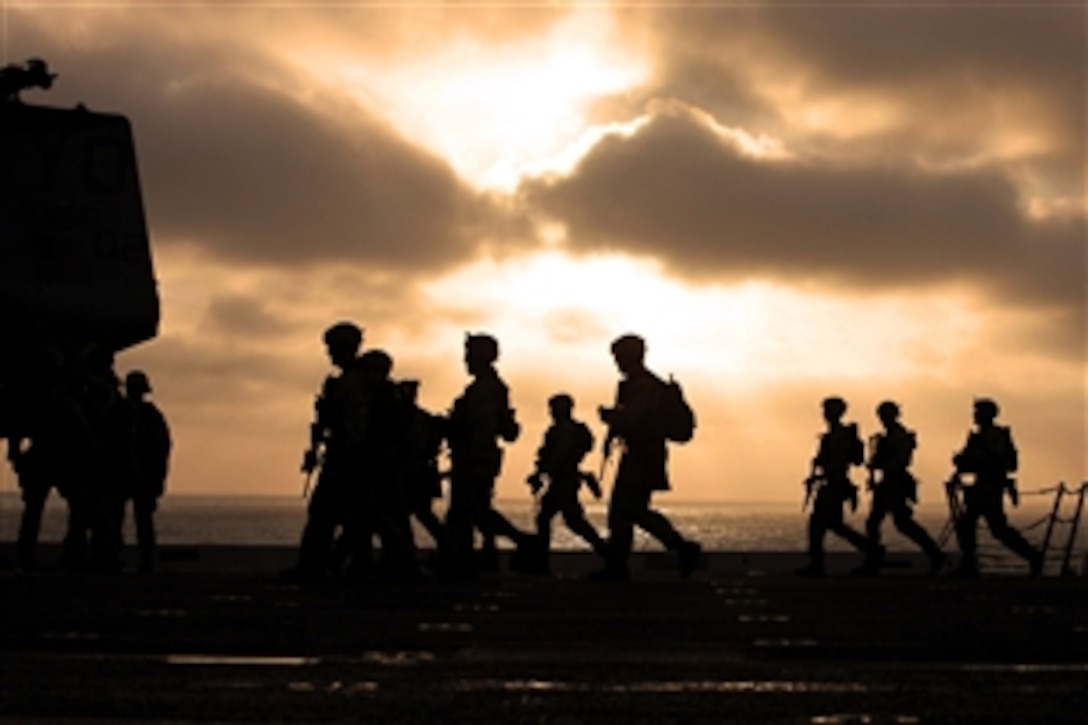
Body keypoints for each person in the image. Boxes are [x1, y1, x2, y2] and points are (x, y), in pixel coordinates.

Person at [593, 334, 701, 582]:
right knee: (632, 511)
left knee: (625, 511)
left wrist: (611, 418)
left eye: (619, 356)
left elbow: (634, 419)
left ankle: (623, 564)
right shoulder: (636, 384)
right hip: (640, 453)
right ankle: (677, 549)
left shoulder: (644, 386)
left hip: (644, 455)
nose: (616, 362)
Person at [442, 333, 532, 578]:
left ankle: (521, 543)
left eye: (470, 355)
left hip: (475, 457)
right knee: (470, 511)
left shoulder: (486, 389)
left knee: (469, 510)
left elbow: (482, 426)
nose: (466, 360)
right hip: (477, 456)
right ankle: (467, 558)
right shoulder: (488, 387)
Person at [288, 321, 369, 581]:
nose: (329, 353)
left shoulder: (352, 383)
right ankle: (342, 562)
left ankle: (314, 565)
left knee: (326, 513)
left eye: (332, 348)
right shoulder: (354, 381)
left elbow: (349, 424)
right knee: (356, 515)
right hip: (350, 455)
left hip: (347, 456)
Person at [949, 398, 1043, 578]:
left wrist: (970, 462)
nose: (974, 415)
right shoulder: (979, 436)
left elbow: (996, 462)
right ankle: (969, 564)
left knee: (997, 529)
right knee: (968, 524)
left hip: (991, 487)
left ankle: (1033, 556)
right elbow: (968, 461)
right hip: (981, 486)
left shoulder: (994, 436)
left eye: (978, 412)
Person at [797, 396, 882, 576]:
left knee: (819, 524)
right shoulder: (833, 435)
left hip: (835, 484)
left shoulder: (839, 436)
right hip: (833, 483)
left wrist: (821, 473)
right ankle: (871, 549)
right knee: (833, 525)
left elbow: (839, 462)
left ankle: (819, 563)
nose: (825, 414)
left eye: (828, 411)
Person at [525, 393, 608, 572]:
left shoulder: (562, 431)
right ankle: (604, 551)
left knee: (553, 519)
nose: (551, 413)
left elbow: (558, 458)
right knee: (570, 521)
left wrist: (541, 473)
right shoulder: (564, 431)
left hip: (564, 481)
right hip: (564, 480)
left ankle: (540, 563)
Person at [863, 401, 944, 575]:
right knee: (874, 523)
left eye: (886, 415)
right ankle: (872, 560)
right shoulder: (887, 436)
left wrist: (881, 464)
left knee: (902, 523)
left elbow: (902, 461)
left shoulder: (899, 436)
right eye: (881, 415)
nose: (883, 419)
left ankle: (936, 555)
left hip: (896, 483)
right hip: (886, 483)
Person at [119, 370, 171, 573]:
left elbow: (162, 446)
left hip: (134, 474)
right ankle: (142, 558)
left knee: (137, 518)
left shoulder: (127, 412)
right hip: (132, 473)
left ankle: (142, 558)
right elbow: (163, 446)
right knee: (139, 519)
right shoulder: (148, 414)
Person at [398, 380, 446, 548]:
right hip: (419, 472)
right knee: (419, 514)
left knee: (409, 513)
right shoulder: (422, 418)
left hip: (413, 473)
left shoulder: (411, 420)